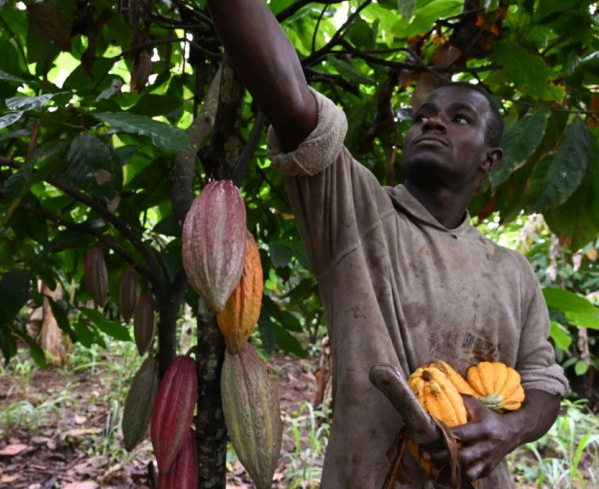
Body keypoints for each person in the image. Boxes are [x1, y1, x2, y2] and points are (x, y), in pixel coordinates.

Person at [207, 1, 569, 488]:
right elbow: (290, 100)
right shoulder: (356, 213)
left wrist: (508, 430)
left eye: (459, 118)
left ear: (490, 160)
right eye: (422, 116)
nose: (433, 123)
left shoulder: (512, 271)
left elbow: (543, 382)